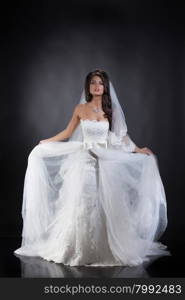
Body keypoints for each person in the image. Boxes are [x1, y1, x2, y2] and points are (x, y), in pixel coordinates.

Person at [14, 69, 170, 267]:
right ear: (88, 87)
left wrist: (138, 150)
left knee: (107, 201)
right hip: (84, 160)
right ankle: (81, 248)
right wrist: (46, 141)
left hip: (106, 162)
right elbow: (68, 131)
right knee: (84, 201)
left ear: (105, 87)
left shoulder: (110, 109)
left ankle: (108, 247)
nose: (97, 86)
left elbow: (121, 136)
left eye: (100, 83)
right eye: (93, 83)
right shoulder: (80, 109)